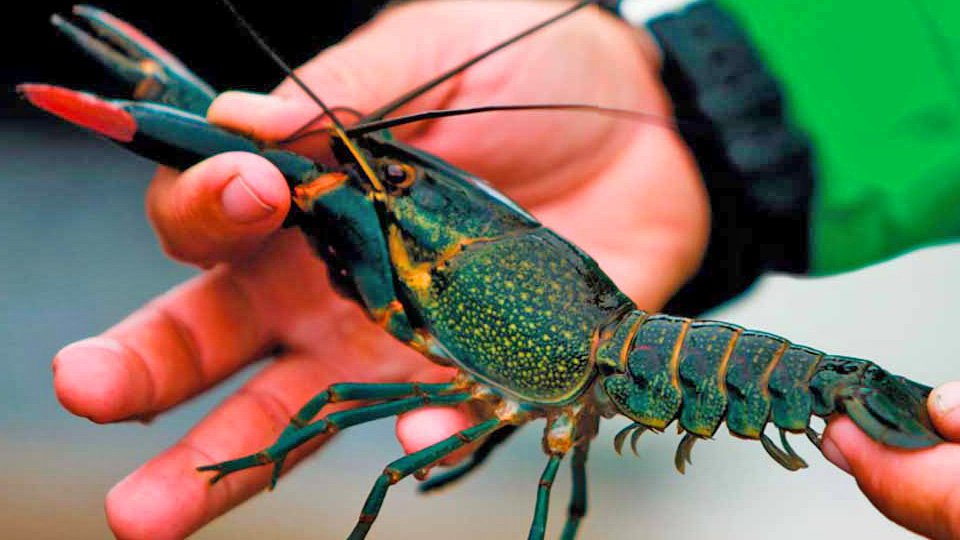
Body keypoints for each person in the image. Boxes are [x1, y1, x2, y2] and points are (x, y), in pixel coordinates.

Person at [49, 1, 960, 538]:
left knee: (357, 428)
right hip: (667, 335)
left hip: (718, 369)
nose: (378, 185)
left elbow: (354, 407)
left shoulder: (434, 297)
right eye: (397, 180)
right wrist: (685, 107)